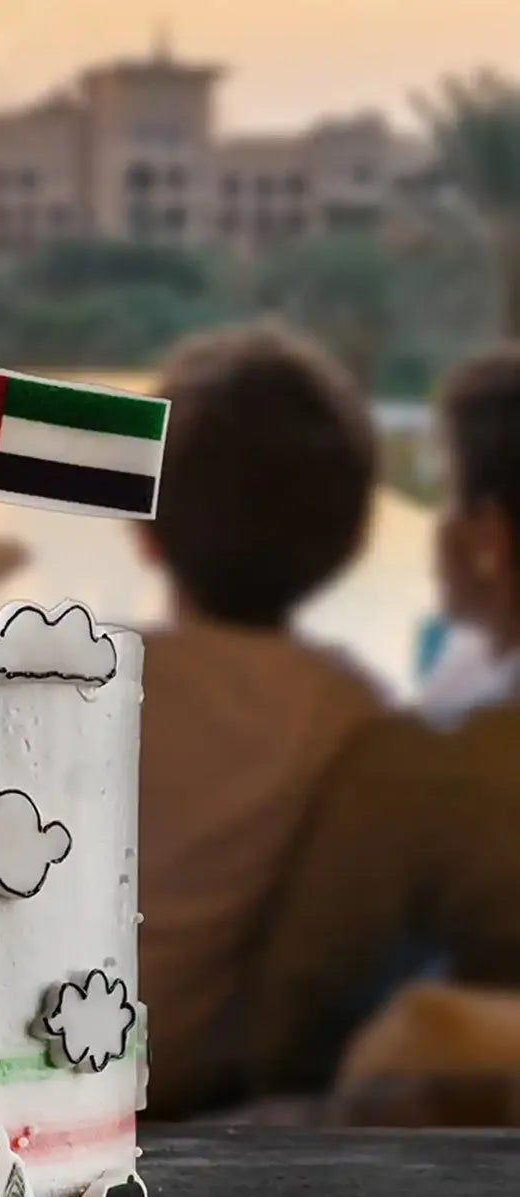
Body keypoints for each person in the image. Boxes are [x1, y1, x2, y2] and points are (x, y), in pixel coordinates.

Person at [246, 344, 520, 1100]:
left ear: (489, 539)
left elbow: (281, 1021)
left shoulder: (428, 765)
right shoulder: (455, 699)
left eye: (447, 499)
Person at [135, 322, 384, 1118]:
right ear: (347, 540)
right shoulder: (350, 710)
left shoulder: (84, 672)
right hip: (185, 1085)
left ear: (145, 530)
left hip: (19, 1078)